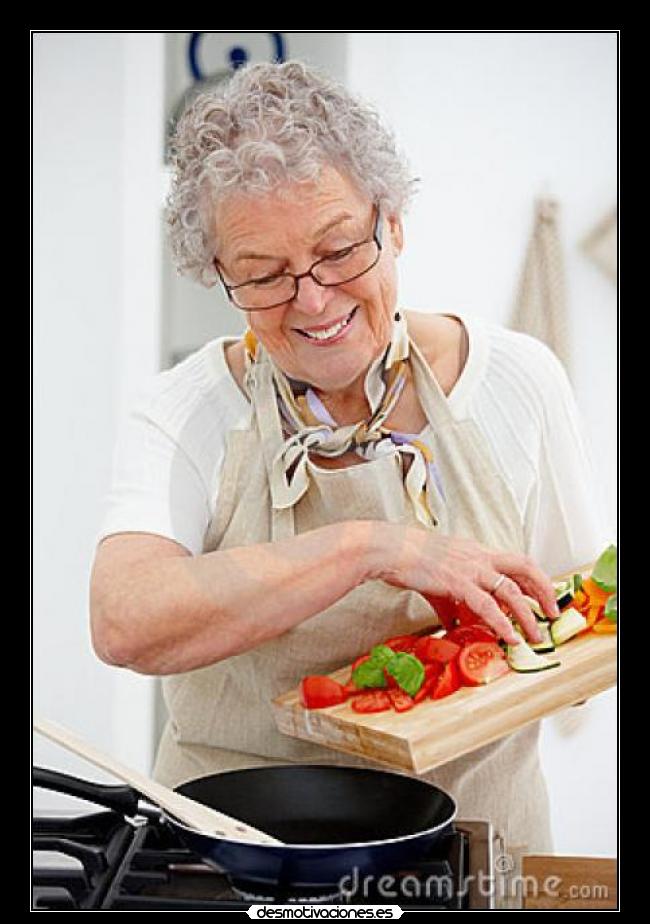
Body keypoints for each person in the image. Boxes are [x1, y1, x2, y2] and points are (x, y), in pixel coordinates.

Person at [90, 60, 607, 857]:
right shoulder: (185, 410)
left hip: (475, 854)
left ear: (391, 222)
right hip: (235, 860)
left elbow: (584, 621)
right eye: (263, 276)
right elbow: (125, 619)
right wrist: (372, 546)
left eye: (339, 250)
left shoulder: (515, 382)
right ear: (221, 275)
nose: (316, 299)